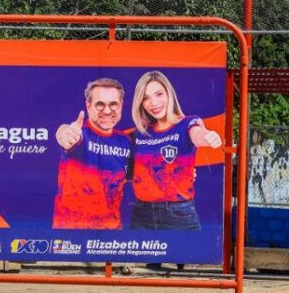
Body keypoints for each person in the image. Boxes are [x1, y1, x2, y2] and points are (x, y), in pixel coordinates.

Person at [128, 70, 223, 231]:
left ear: (169, 94)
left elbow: (197, 133)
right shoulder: (139, 134)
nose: (153, 102)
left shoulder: (187, 123)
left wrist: (207, 136)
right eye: (146, 98)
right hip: (141, 215)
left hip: (178, 215)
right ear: (140, 103)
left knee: (187, 257)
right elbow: (122, 169)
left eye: (158, 94)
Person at [52, 77, 133, 229]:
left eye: (113, 104)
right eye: (100, 104)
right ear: (88, 106)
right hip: (71, 231)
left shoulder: (125, 141)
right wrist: (64, 134)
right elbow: (65, 135)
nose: (107, 111)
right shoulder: (79, 133)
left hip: (111, 232)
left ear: (121, 105)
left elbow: (134, 176)